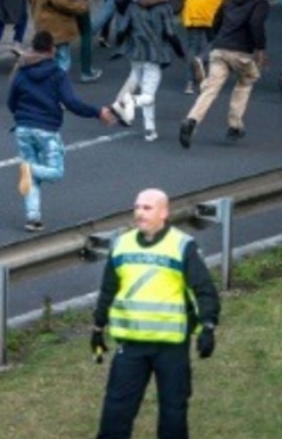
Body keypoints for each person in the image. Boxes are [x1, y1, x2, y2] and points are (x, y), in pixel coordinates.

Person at [92, 188, 221, 439]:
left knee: (173, 413)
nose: (139, 213)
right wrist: (98, 328)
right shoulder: (122, 244)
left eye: (147, 208)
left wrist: (208, 326)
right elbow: (108, 289)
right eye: (137, 207)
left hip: (170, 347)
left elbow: (204, 289)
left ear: (164, 213)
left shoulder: (182, 246)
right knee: (115, 412)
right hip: (131, 345)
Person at [9, 30, 115, 232]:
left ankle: (33, 217)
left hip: (23, 128)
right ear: (51, 49)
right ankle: (29, 170)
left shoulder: (21, 71)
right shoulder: (57, 74)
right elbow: (72, 103)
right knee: (55, 172)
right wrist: (96, 112)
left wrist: (22, 116)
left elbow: (11, 101)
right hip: (47, 129)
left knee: (31, 177)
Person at [178, 0, 269, 149]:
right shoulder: (260, 3)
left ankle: (191, 120)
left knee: (211, 89)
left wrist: (216, 40)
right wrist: (260, 49)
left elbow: (215, 21)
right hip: (241, 52)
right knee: (248, 78)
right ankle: (235, 124)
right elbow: (256, 24)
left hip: (219, 48)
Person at [109, 0, 184, 142]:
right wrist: (180, 52)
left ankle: (150, 129)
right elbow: (170, 31)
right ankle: (129, 100)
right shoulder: (163, 5)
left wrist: (119, 43)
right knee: (148, 95)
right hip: (155, 53)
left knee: (142, 85)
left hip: (135, 50)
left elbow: (120, 12)